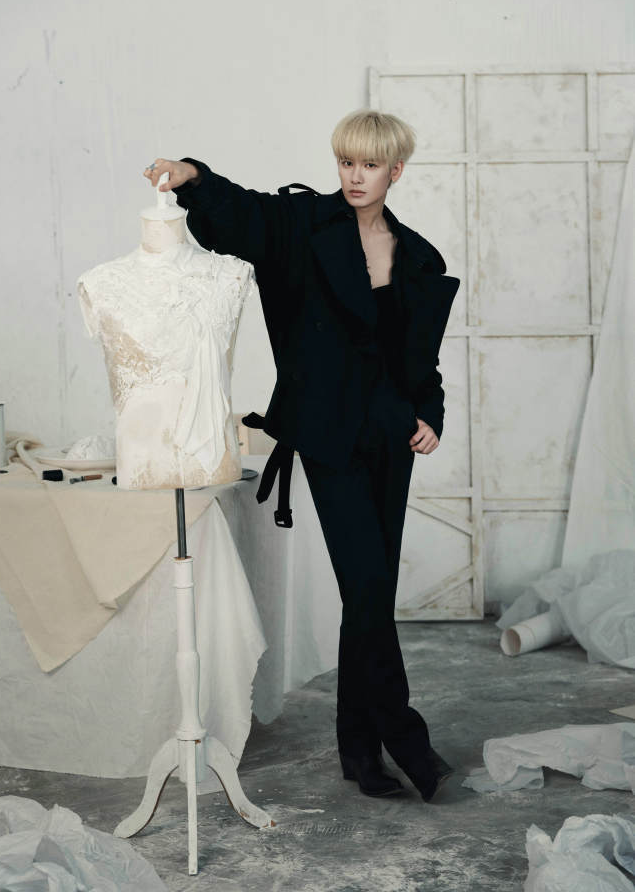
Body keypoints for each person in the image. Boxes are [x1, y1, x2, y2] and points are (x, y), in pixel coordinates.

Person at [144, 109, 460, 802]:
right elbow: (240, 215)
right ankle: (405, 738)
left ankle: (359, 749)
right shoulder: (302, 224)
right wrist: (192, 176)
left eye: (369, 165)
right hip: (326, 432)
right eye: (346, 161)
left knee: (367, 593)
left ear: (395, 171)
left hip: (392, 436)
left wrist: (430, 416)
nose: (354, 176)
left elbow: (420, 360)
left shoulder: (417, 255)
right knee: (369, 586)